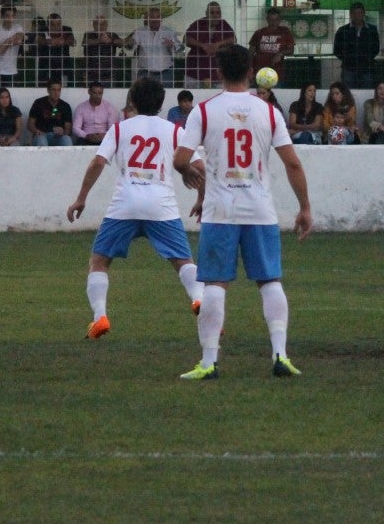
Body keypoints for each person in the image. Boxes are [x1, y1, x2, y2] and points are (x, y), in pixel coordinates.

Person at [173, 44, 313, 380]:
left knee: (215, 285)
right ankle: (280, 355)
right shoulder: (269, 112)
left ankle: (209, 362)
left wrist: (188, 173)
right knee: (269, 281)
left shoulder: (204, 111)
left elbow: (180, 159)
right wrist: (305, 207)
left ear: (219, 72)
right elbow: (293, 163)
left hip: (220, 210)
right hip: (260, 210)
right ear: (251, 71)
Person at [67, 77, 206, 340]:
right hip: (161, 206)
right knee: (183, 261)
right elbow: (200, 167)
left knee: (99, 261)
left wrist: (81, 198)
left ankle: (100, 317)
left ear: (132, 101)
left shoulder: (120, 129)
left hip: (125, 205)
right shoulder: (174, 131)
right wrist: (201, 198)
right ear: (161, 103)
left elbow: (98, 162)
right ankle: (199, 299)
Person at [183, 1, 236, 86]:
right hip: (195, 73)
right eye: (212, 12)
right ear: (206, 14)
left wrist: (218, 44)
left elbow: (233, 40)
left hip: (217, 74)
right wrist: (202, 46)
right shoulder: (198, 23)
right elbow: (186, 39)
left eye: (218, 13)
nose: (215, 15)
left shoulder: (224, 24)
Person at [126, 6, 179, 86]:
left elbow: (181, 48)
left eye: (157, 16)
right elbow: (129, 46)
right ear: (147, 19)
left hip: (165, 73)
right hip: (145, 73)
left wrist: (172, 45)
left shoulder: (169, 31)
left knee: (166, 94)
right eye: (152, 16)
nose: (155, 19)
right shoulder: (140, 31)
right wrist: (130, 42)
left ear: (161, 19)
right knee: (143, 94)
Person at [332, 1, 380, 90]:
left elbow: (376, 48)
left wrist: (365, 59)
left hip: (367, 69)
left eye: (359, 13)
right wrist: (348, 59)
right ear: (350, 14)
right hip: (348, 69)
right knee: (348, 93)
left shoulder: (372, 29)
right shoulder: (343, 30)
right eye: (354, 13)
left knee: (366, 93)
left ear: (364, 14)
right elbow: (336, 50)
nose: (357, 16)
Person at [248, 7, 296, 83]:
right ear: (267, 19)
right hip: (259, 72)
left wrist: (280, 54)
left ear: (280, 20)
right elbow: (250, 53)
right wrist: (250, 70)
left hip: (277, 73)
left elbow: (291, 50)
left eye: (276, 20)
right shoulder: (259, 33)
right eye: (271, 20)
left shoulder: (285, 31)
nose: (273, 22)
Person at [72, 81, 122, 145]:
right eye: (94, 93)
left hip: (104, 138)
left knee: (112, 142)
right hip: (86, 138)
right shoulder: (81, 107)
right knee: (80, 142)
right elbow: (75, 128)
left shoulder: (109, 108)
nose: (97, 96)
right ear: (89, 92)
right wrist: (86, 135)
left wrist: (104, 136)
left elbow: (113, 128)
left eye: (100, 93)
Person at [28, 78, 73, 147]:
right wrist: (36, 131)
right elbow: (30, 124)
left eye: (58, 90)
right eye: (53, 90)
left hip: (58, 137)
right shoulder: (39, 103)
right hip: (42, 135)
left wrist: (63, 131)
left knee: (67, 139)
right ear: (48, 90)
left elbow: (68, 129)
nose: (56, 93)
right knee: (42, 140)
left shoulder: (65, 106)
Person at [81, 14, 122, 87]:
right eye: (99, 24)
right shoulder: (88, 34)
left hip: (109, 75)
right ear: (94, 25)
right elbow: (85, 42)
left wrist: (111, 40)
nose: (102, 26)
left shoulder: (112, 35)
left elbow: (121, 43)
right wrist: (100, 40)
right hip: (91, 75)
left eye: (104, 24)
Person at [36, 13, 76, 86]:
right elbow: (38, 41)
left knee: (65, 87)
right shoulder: (42, 29)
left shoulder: (66, 29)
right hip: (46, 65)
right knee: (44, 87)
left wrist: (65, 41)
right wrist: (51, 41)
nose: (56, 27)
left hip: (63, 65)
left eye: (58, 24)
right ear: (48, 25)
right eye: (53, 24)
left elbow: (73, 42)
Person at [0, 5, 27, 87]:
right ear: (2, 16)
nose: (10, 19)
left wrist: (4, 43)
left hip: (12, 71)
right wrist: (9, 40)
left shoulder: (17, 27)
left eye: (13, 16)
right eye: (7, 16)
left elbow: (19, 41)